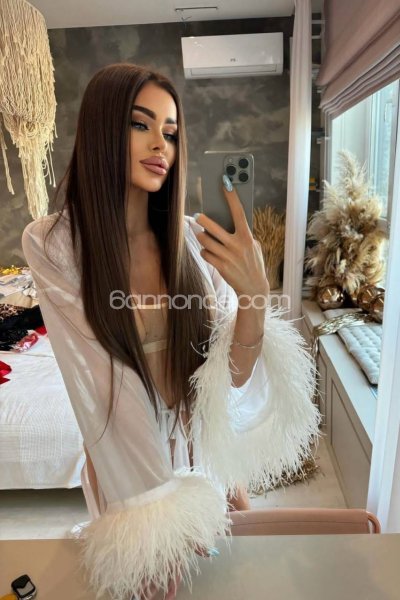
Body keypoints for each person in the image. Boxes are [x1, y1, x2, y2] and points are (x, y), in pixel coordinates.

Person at [22, 63, 321, 600]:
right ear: (101, 129)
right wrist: (157, 508)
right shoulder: (56, 245)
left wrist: (255, 294)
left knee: (232, 586)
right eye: (140, 124)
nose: (161, 144)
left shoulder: (193, 247)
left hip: (205, 460)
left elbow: (230, 378)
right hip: (130, 474)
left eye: (171, 131)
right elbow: (102, 376)